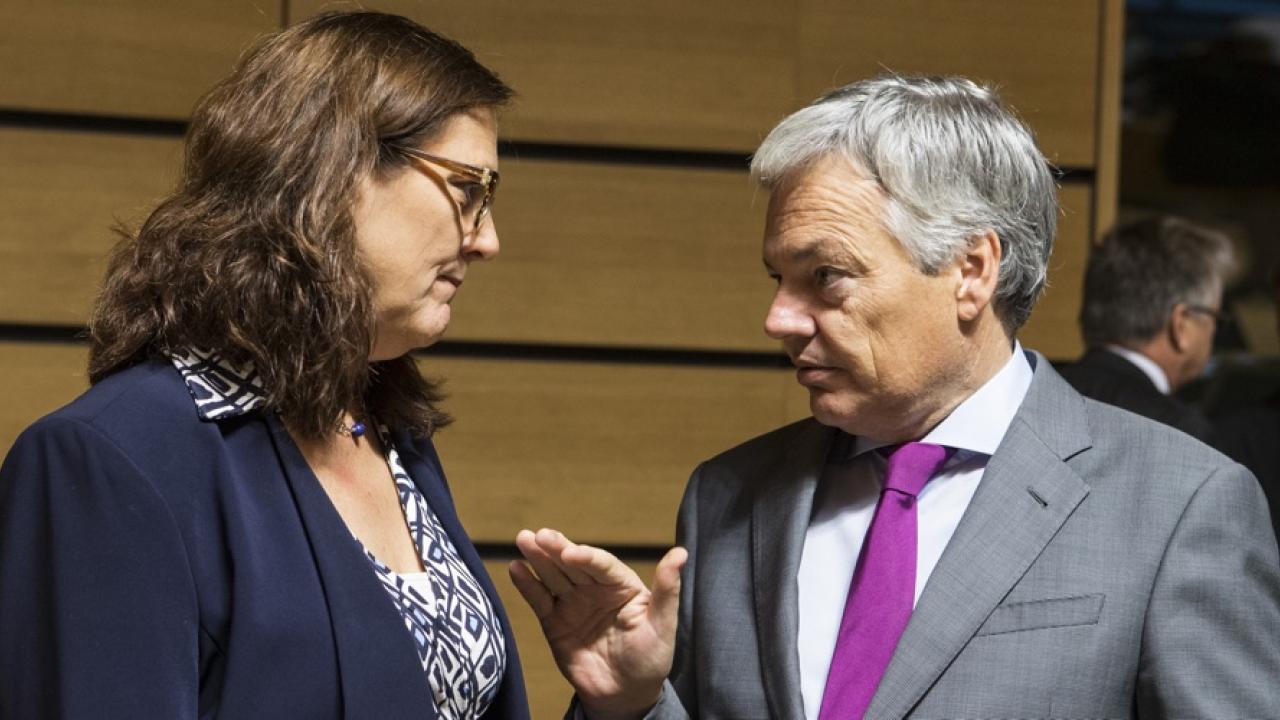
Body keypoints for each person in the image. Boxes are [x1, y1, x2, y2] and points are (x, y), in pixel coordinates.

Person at [509, 76, 1280, 719]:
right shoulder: (728, 498)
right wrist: (632, 704)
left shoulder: (1180, 505)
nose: (777, 318)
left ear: (971, 271)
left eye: (826, 277)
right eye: (778, 278)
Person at [0, 12, 530, 719]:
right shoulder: (106, 460)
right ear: (334, 171)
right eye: (469, 189)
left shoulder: (390, 438)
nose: (486, 239)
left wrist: (615, 704)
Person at [1056, 215, 1235, 443]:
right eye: (1215, 317)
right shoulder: (1181, 433)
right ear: (1182, 325)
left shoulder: (1028, 401)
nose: (1214, 331)